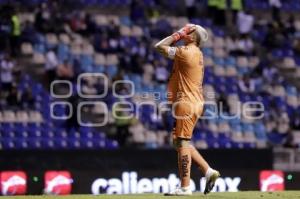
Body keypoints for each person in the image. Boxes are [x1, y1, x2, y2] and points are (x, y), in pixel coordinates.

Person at [154, 24, 220, 195]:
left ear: (192, 37)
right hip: (195, 101)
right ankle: (208, 171)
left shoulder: (186, 52)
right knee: (178, 141)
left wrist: (177, 34)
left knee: (182, 142)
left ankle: (185, 187)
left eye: (187, 31)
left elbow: (159, 46)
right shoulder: (197, 53)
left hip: (186, 102)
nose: (184, 31)